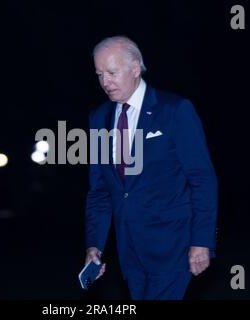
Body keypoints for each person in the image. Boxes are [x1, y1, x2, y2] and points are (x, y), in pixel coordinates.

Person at [84, 36, 218, 300]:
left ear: (135, 68)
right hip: (129, 250)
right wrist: (94, 244)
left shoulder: (175, 110)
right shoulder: (99, 118)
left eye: (112, 72)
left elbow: (202, 180)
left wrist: (202, 240)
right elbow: (100, 190)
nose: (104, 82)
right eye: (99, 74)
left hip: (174, 246)